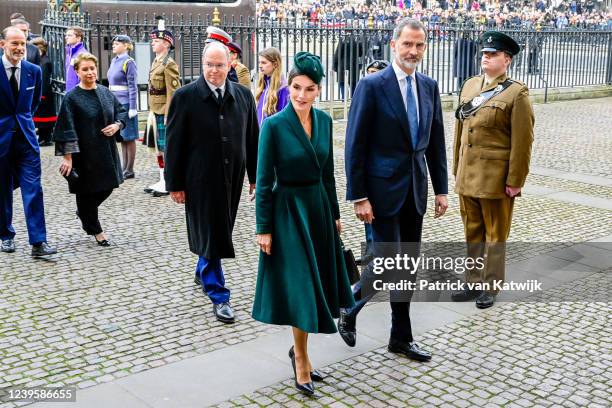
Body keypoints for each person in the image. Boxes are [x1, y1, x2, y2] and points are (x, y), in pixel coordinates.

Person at [342, 18, 448, 360]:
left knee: (407, 267)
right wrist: (359, 195)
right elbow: (354, 145)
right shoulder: (372, 86)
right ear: (393, 45)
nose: (413, 51)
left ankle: (400, 337)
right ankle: (350, 303)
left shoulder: (429, 86)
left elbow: (436, 143)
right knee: (388, 261)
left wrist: (441, 189)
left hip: (415, 189)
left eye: (419, 45)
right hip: (380, 192)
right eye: (407, 45)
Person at [252, 52, 355, 396]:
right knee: (301, 288)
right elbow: (264, 181)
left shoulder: (324, 122)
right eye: (296, 87)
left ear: (318, 91)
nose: (300, 95)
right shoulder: (274, 125)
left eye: (309, 89)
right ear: (289, 86)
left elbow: (327, 174)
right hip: (288, 214)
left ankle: (300, 351)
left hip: (318, 210)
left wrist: (336, 214)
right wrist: (263, 228)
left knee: (317, 285)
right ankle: (301, 358)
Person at [164, 42, 258, 324]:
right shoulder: (185, 97)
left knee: (220, 228)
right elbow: (174, 144)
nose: (214, 71)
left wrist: (256, 176)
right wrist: (174, 184)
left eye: (219, 65)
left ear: (229, 64)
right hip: (199, 181)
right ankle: (219, 294)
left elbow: (252, 138)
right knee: (213, 233)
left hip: (232, 179)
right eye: (209, 65)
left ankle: (202, 266)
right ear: (202, 64)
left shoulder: (242, 95)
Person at [451, 31, 534, 309]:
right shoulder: (470, 85)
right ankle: (472, 281)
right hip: (468, 175)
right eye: (484, 53)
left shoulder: (516, 93)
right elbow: (459, 132)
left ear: (507, 60)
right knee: (472, 231)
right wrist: (456, 167)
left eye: (493, 54)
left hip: (495, 179)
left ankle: (491, 284)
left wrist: (515, 180)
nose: (486, 57)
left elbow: (523, 142)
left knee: (495, 235)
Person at [53, 53, 126, 247]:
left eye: (92, 68)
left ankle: (85, 212)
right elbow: (65, 128)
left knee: (109, 185)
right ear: (77, 72)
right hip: (83, 154)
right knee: (87, 191)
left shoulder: (105, 92)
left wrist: (117, 125)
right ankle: (97, 231)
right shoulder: (71, 98)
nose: (90, 72)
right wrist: (67, 158)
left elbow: (121, 112)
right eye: (85, 69)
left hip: (106, 151)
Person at [0, 26, 56, 257]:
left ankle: (38, 242)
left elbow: (32, 105)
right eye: (15, 43)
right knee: (2, 191)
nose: (20, 48)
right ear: (2, 44)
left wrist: (23, 122)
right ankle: (6, 236)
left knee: (33, 189)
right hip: (1, 140)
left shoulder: (34, 71)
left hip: (26, 140)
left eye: (23, 44)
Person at [355, 59, 389, 266]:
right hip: (366, 166)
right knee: (367, 212)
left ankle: (381, 253)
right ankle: (370, 249)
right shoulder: (364, 96)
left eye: (374, 73)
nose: (369, 76)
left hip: (382, 168)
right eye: (368, 72)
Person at [143, 17, 180, 197]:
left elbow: (173, 92)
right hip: (154, 109)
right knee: (158, 147)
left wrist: (168, 114)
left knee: (167, 148)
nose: (152, 43)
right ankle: (162, 178)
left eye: (156, 41)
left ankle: (169, 181)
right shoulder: (157, 61)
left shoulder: (169, 64)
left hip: (163, 111)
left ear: (166, 44)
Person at [107, 34, 138, 179]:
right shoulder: (114, 61)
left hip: (126, 103)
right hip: (116, 103)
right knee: (122, 137)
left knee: (129, 137)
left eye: (117, 43)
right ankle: (124, 167)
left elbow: (132, 86)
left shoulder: (129, 62)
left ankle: (129, 169)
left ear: (126, 45)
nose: (113, 45)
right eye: (113, 43)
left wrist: (133, 106)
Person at [31, 37, 56, 147]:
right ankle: (43, 137)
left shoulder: (44, 62)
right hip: (42, 93)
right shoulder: (41, 60)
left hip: (44, 94)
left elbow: (45, 79)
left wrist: (41, 95)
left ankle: (45, 138)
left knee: (44, 117)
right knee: (41, 117)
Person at [255, 47, 289, 127]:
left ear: (275, 64)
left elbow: (283, 120)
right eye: (259, 62)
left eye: (264, 63)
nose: (260, 66)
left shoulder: (283, 88)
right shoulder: (264, 85)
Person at [64, 26, 87, 92]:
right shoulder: (69, 53)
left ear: (78, 38)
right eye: (66, 35)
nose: (66, 37)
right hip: (70, 92)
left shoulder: (82, 54)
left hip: (78, 93)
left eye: (69, 35)